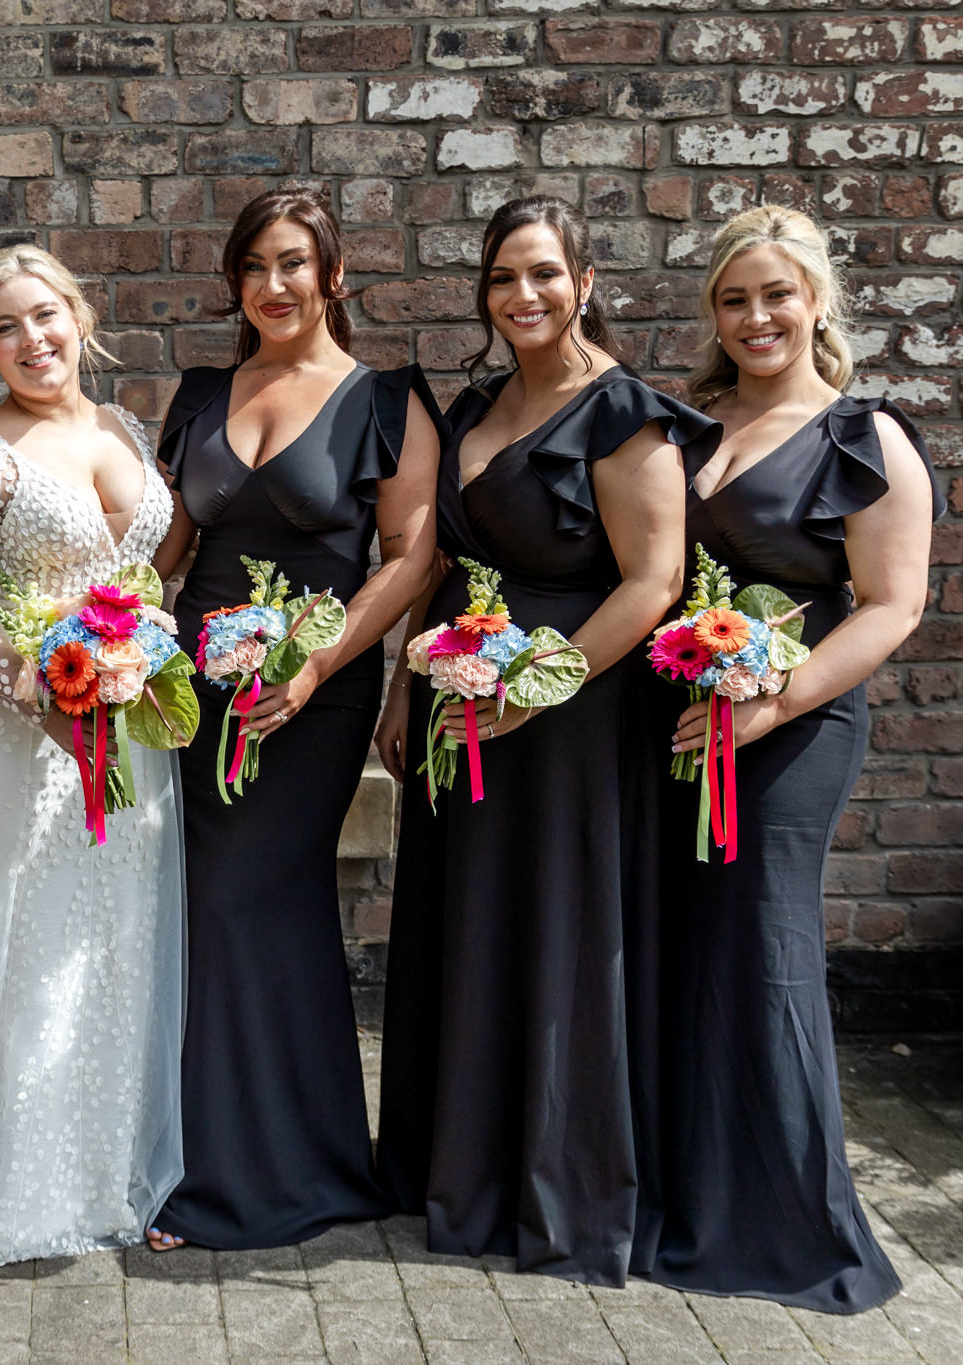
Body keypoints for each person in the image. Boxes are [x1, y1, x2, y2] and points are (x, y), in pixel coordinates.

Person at [373, 196, 710, 1283]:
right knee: (468, 928)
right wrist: (401, 686)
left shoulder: (625, 418)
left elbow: (653, 585)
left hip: (570, 722)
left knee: (555, 933)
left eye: (541, 275)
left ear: (584, 278)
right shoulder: (473, 406)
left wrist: (541, 690)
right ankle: (459, 1175)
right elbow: (443, 569)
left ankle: (556, 1191)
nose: (521, 297)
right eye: (500, 279)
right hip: (456, 702)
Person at [652, 205, 940, 1313]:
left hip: (790, 730)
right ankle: (687, 1194)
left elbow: (890, 606)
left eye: (775, 294)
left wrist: (774, 704)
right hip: (681, 723)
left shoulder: (863, 437)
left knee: (760, 950)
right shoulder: (687, 425)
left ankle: (784, 1225)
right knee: (684, 946)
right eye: (733, 299)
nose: (755, 316)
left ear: (815, 301)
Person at [148, 187, 439, 1251]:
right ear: (235, 282)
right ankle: (219, 1156)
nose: (274, 285)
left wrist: (316, 668)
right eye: (254, 266)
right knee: (203, 911)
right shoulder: (200, 392)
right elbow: (169, 551)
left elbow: (413, 555)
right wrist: (111, 641)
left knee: (257, 903)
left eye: (293, 264)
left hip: (309, 694)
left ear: (333, 275)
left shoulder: (385, 401)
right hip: (195, 688)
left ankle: (264, 1177)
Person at [0, 245, 186, 1264]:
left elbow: (145, 575)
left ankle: (101, 1178)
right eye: (4, 328)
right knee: (22, 954)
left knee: (110, 949)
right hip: (12, 736)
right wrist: (36, 692)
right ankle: (9, 1194)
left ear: (79, 313)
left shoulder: (125, 429)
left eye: (44, 316)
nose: (31, 342)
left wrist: (134, 669)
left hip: (121, 731)